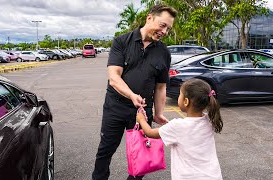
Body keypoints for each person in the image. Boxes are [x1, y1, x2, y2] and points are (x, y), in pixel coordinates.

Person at [92, 4, 177, 180]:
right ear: (149, 18)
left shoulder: (164, 52)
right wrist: (131, 95)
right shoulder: (122, 42)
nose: (165, 31)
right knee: (105, 150)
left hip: (141, 112)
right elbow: (114, 77)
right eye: (162, 25)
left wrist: (158, 113)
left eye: (168, 28)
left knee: (144, 155)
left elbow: (161, 86)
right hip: (115, 106)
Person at [136, 78, 224, 180]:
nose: (179, 97)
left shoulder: (177, 126)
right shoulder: (209, 120)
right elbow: (187, 131)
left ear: (186, 101)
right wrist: (169, 128)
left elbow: (150, 133)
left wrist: (141, 119)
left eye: (180, 95)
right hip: (213, 175)